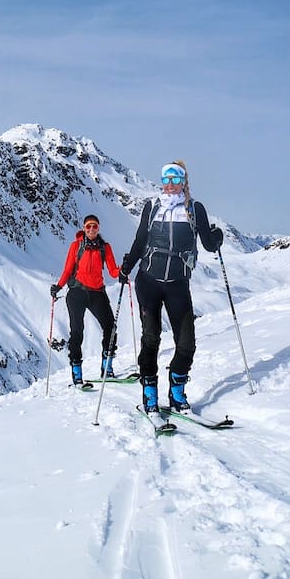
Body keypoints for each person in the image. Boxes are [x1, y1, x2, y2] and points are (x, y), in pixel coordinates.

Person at [119, 161, 223, 417]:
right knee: (151, 338)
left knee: (186, 343)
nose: (170, 183)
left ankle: (176, 392)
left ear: (184, 181)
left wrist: (216, 236)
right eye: (166, 177)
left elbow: (209, 245)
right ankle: (150, 393)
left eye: (176, 177)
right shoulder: (152, 206)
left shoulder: (195, 209)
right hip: (148, 281)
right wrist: (127, 266)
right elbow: (141, 239)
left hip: (178, 284)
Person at [50, 214, 122, 385]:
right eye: (88, 226)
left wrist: (123, 270)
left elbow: (113, 271)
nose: (91, 229)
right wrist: (58, 287)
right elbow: (68, 269)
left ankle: (107, 368)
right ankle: (76, 371)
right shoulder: (76, 246)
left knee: (110, 328)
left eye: (94, 226)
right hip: (77, 292)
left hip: (97, 292)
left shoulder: (105, 247)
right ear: (83, 228)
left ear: (98, 228)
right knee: (77, 331)